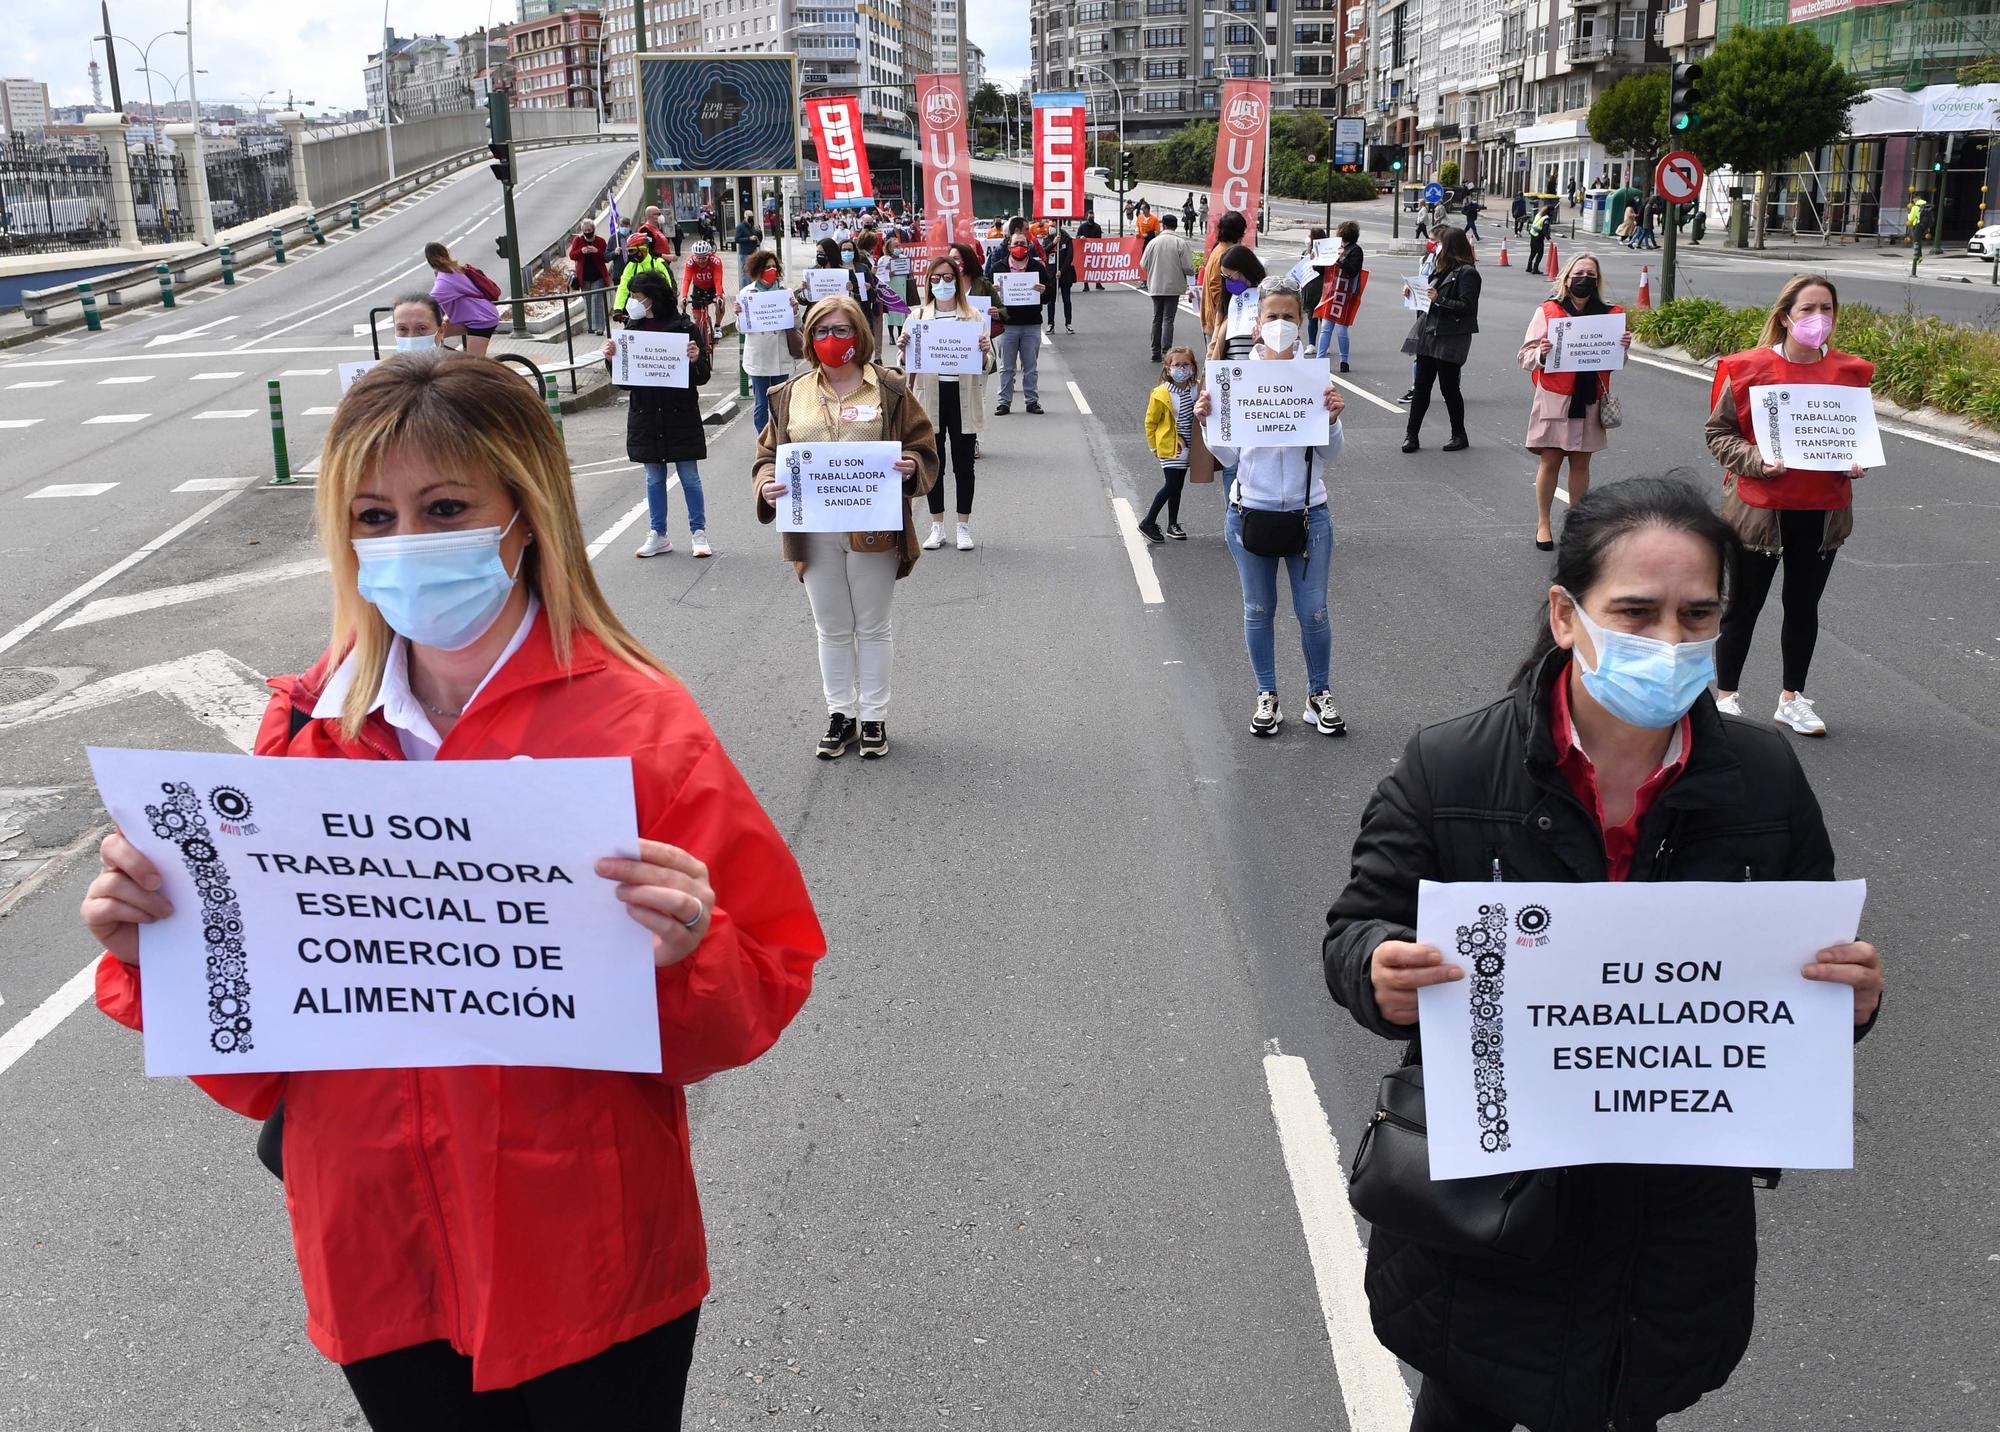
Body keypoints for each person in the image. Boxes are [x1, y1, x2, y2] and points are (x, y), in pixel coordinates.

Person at [83, 350, 826, 1428]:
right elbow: (260, 1054)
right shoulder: (302, 734)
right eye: (372, 517)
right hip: (378, 1249)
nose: (403, 544)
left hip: (583, 1252)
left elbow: (758, 988)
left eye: (442, 508)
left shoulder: (640, 727)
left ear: (523, 514)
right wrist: (153, 950)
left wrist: (690, 947)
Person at [1321, 472, 1883, 1432]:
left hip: (1665, 1232)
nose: (1670, 642)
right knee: (1465, 1404)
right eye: (1636, 611)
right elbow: (1352, 930)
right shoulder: (1450, 767)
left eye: (1697, 614)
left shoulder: (1765, 779)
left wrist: (1853, 1000)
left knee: (1623, 1408)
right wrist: (1379, 967)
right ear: (1567, 615)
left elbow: (1807, 981)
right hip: (1487, 1212)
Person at [754, 295, 939, 760]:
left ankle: (873, 717)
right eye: (821, 331)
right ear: (809, 339)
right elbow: (766, 457)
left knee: (873, 626)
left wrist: (912, 465)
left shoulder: (890, 390)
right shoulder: (788, 395)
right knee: (831, 627)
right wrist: (766, 485)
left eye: (841, 331)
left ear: (860, 335)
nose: (831, 341)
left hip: (873, 526)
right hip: (812, 530)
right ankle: (841, 714)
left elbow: (924, 445)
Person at [1706, 275, 1872, 737]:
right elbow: (1718, 434)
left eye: (1828, 309)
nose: (1820, 319)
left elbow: (1853, 437)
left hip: (1822, 514)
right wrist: (1756, 460)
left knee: (1803, 607)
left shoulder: (1850, 372)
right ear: (1785, 317)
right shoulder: (1747, 369)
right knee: (1743, 606)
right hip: (1758, 512)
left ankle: (1792, 698)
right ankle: (1727, 700)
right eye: (1808, 309)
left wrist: (1855, 462)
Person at [1192, 276, 1348, 738]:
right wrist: (1207, 421)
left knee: (1314, 611)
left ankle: (1318, 694)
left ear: (1302, 324)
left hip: (1308, 515)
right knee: (1258, 609)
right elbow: (1230, 459)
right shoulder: (1237, 380)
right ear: (1256, 325)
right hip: (1249, 514)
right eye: (1272, 317)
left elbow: (1331, 455)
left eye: (1289, 317)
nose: (1280, 324)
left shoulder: (1314, 377)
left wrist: (1333, 420)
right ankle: (1267, 694)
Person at [1520, 253, 1633, 550]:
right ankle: (1543, 523)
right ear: (1567, 278)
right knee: (1551, 460)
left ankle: (1576, 525)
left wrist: (1622, 347)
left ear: (1597, 280)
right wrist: (1542, 353)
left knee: (1581, 463)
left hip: (1590, 400)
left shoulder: (1610, 315)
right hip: (1555, 397)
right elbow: (1525, 356)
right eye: (1579, 272)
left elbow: (1615, 361)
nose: (1585, 278)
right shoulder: (1548, 311)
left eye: (1591, 274)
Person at [605, 272, 713, 560]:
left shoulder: (684, 326)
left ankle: (698, 533)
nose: (632, 303)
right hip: (647, 414)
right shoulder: (632, 328)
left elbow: (703, 374)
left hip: (680, 413)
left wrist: (694, 359)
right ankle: (658, 533)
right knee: (654, 477)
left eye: (636, 297)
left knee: (689, 476)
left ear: (652, 297)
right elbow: (624, 381)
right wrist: (611, 358)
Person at [900, 254, 996, 552]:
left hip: (962, 396)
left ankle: (963, 526)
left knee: (964, 464)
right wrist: (904, 349)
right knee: (934, 463)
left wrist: (983, 351)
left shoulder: (974, 318)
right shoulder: (917, 318)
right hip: (931, 398)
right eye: (937, 278)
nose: (943, 283)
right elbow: (906, 365)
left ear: (957, 280)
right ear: (929, 282)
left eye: (948, 277)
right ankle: (937, 525)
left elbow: (988, 363)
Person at [1400, 226, 1481, 454]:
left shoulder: (1468, 273)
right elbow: (1427, 297)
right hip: (1429, 332)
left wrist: (1439, 299)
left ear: (1451, 247)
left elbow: (1467, 307)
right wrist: (1413, 292)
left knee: (1449, 388)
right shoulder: (1439, 269)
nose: (1437, 247)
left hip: (1450, 336)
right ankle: (1411, 435)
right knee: (1422, 387)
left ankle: (1459, 434)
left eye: (1441, 244)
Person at [1137, 347, 1204, 543]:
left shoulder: (1198, 388)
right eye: (1177, 365)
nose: (1181, 368)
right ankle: (1148, 522)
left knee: (1178, 485)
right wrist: (1153, 446)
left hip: (1190, 445)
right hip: (1170, 446)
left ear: (1193, 367)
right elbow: (1150, 422)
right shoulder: (1161, 393)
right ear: (1168, 368)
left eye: (1186, 364)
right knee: (1172, 484)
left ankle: (1172, 524)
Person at [736, 248, 799, 437]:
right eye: (766, 267)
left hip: (780, 354)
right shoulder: (747, 293)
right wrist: (739, 314)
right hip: (759, 355)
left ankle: (781, 437)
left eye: (773, 266)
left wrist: (794, 310)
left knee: (782, 401)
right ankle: (763, 440)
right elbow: (741, 328)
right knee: (761, 403)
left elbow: (797, 324)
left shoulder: (785, 292)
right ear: (757, 269)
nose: (770, 270)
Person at [987, 233, 1052, 415]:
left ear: (1028, 246)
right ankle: (1004, 402)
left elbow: (1050, 296)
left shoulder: (1037, 268)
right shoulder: (997, 269)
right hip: (1007, 326)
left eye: (1023, 244)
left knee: (1030, 366)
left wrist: (1044, 290)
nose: (1019, 247)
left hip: (1031, 324)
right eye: (1016, 243)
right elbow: (987, 299)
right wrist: (992, 292)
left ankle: (1032, 401)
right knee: (1006, 367)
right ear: (1009, 246)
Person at [422, 242, 500, 357]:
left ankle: (489, 373)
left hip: (482, 319)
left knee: (474, 362)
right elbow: (440, 306)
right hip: (470, 317)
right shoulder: (452, 270)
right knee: (431, 335)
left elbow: (430, 303)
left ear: (429, 260)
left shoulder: (446, 279)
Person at [1139, 212, 1199, 362]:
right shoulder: (1180, 243)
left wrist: (1154, 271)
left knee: (1156, 318)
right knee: (1168, 319)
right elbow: (1188, 267)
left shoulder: (1153, 242)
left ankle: (1155, 351)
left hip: (1155, 285)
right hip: (1173, 285)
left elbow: (1143, 264)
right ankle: (1166, 352)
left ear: (1163, 225)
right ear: (1175, 226)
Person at [1313, 221, 1365, 371]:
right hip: (1331, 291)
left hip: (1345, 293)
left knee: (1341, 328)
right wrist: (1316, 260)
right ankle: (1320, 359)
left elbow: (1353, 270)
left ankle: (1344, 360)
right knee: (1326, 327)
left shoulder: (1355, 251)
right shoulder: (1334, 247)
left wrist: (1341, 258)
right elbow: (1323, 269)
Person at [1204, 244, 1267, 362]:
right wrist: (1209, 370)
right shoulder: (1227, 301)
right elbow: (1215, 342)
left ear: (1246, 270)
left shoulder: (1268, 298)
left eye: (1230, 276)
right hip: (1230, 371)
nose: (1228, 281)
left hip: (1260, 370)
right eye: (1224, 277)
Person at [1200, 210, 1249, 338]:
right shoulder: (1225, 255)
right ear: (1238, 232)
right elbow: (1217, 290)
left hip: (1217, 322)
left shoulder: (1219, 248)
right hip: (1220, 324)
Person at [614, 232, 675, 315]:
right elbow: (623, 287)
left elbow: (668, 286)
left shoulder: (658, 263)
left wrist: (669, 306)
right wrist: (618, 309)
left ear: (642, 249)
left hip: (658, 309)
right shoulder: (630, 266)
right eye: (628, 251)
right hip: (637, 310)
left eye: (632, 250)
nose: (629, 254)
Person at [567, 221, 611, 334]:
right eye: (585, 231)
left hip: (598, 276)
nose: (587, 233)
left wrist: (597, 251)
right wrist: (581, 251)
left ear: (593, 229)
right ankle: (591, 327)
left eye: (589, 230)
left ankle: (599, 327)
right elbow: (572, 255)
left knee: (597, 300)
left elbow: (606, 257)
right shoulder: (578, 240)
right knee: (587, 301)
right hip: (584, 277)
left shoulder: (600, 241)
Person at [681, 238, 726, 342]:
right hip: (698, 288)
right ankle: (701, 340)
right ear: (694, 256)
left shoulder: (716, 261)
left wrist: (719, 295)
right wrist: (684, 296)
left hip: (713, 287)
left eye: (704, 258)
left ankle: (717, 326)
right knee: (697, 320)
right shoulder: (690, 262)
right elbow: (687, 280)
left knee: (721, 303)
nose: (701, 261)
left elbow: (718, 279)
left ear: (709, 255)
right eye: (698, 258)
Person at [1045, 223, 1076, 335]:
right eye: (1050, 223)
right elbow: (1043, 252)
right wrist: (1053, 244)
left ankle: (1068, 324)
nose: (1051, 226)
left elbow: (1070, 256)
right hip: (1051, 275)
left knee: (1067, 300)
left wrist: (1061, 271)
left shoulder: (1067, 239)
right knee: (1050, 301)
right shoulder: (1047, 238)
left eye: (1054, 223)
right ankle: (1050, 324)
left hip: (1064, 274)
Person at [1077, 211, 1107, 289]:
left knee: (1097, 267)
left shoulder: (1097, 227)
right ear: (1087, 217)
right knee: (1086, 268)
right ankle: (1086, 285)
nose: (1091, 218)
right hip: (1085, 250)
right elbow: (1077, 236)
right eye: (1090, 216)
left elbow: (1099, 239)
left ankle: (1098, 283)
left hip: (1095, 250)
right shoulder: (1082, 226)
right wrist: (1080, 237)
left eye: (1092, 217)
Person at [1526, 201, 1554, 274]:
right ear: (1550, 211)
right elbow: (1545, 230)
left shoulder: (1539, 214)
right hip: (1538, 237)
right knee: (1540, 253)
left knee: (1533, 252)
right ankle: (1535, 268)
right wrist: (1549, 238)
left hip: (1532, 234)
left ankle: (1529, 267)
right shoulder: (1546, 219)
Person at [733, 211, 760, 283]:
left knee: (753, 271)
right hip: (745, 253)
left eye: (752, 216)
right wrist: (749, 238)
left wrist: (758, 231)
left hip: (753, 252)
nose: (751, 218)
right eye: (749, 216)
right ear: (745, 217)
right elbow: (737, 239)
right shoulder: (740, 227)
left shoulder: (752, 226)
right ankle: (745, 289)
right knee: (745, 272)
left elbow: (759, 238)